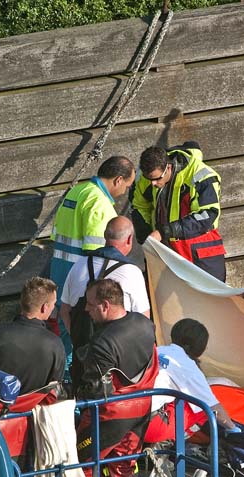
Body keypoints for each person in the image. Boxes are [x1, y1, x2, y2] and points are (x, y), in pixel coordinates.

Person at [73, 279, 157, 477]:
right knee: (124, 465)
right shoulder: (145, 324)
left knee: (84, 463)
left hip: (110, 414)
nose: (86, 310)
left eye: (90, 305)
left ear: (105, 305)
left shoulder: (102, 343)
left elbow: (95, 391)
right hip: (142, 407)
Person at [49, 156, 136, 355]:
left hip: (60, 271)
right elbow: (100, 253)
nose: (125, 192)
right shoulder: (99, 203)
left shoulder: (76, 191)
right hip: (82, 279)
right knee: (78, 336)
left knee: (63, 328)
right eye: (127, 186)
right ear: (118, 180)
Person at [131, 143, 226, 281]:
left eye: (157, 179)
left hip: (199, 251)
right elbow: (139, 206)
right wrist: (145, 236)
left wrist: (163, 232)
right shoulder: (149, 177)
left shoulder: (202, 176)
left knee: (210, 301)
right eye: (149, 179)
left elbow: (207, 216)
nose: (153, 184)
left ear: (168, 167)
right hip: (165, 251)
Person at [59, 216, 150, 341]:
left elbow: (64, 310)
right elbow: (143, 320)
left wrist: (78, 341)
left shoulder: (79, 264)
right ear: (129, 239)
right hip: (117, 353)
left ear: (104, 235)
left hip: (82, 354)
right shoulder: (132, 272)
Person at [0, 277, 65, 395]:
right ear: (44, 307)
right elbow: (54, 388)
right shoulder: (55, 344)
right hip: (30, 409)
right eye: (53, 304)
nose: (54, 308)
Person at [146, 319, 237, 443]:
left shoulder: (158, 350)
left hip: (124, 415)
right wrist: (233, 428)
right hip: (149, 427)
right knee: (200, 408)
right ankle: (181, 441)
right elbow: (213, 407)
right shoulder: (187, 366)